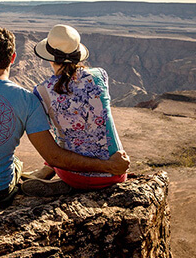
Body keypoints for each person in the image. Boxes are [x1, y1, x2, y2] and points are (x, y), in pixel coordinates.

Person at [0, 25, 130, 205]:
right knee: (19, 162)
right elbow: (53, 154)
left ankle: (54, 177)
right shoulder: (30, 99)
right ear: (13, 58)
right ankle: (44, 175)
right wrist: (110, 166)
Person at [21, 24, 128, 196]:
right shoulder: (100, 75)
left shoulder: (42, 91)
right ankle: (61, 179)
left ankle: (66, 183)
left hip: (72, 173)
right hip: (115, 172)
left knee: (62, 136)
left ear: (50, 58)